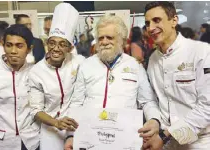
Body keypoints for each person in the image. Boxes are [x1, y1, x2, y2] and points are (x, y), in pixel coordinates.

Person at [64, 15, 159, 150]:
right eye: (100, 38)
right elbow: (77, 103)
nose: (104, 41)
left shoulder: (134, 66)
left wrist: (154, 120)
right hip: (90, 140)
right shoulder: (86, 65)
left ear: (121, 40)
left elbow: (148, 101)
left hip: (125, 141)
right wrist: (70, 135)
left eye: (110, 37)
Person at [139, 1, 210, 150]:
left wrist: (167, 135)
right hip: (166, 144)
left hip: (199, 143)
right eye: (147, 23)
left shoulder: (201, 52)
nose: (151, 28)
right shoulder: (152, 60)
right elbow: (152, 99)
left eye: (157, 20)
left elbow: (207, 107)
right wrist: (154, 121)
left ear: (174, 21)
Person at [28, 3, 85, 150]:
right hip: (50, 130)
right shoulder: (37, 72)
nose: (56, 49)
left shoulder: (78, 62)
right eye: (52, 43)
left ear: (70, 48)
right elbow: (35, 110)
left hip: (76, 127)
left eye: (62, 44)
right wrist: (56, 122)